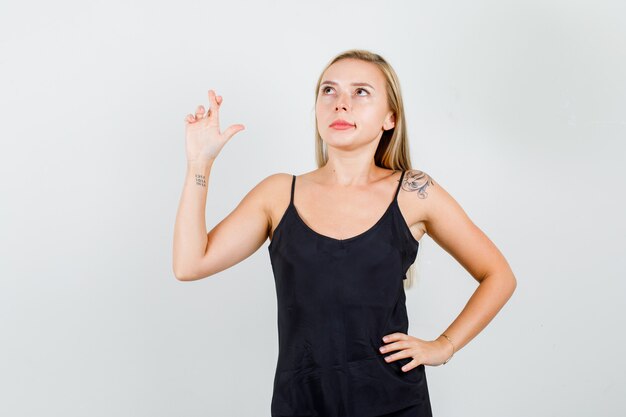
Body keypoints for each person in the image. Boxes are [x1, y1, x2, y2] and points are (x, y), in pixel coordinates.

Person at [173, 49, 517, 417]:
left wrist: (444, 346)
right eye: (329, 91)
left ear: (390, 118)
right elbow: (190, 263)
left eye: (361, 92)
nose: (341, 104)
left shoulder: (415, 192)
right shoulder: (277, 194)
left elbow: (498, 276)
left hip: (396, 404)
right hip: (302, 404)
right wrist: (200, 163)